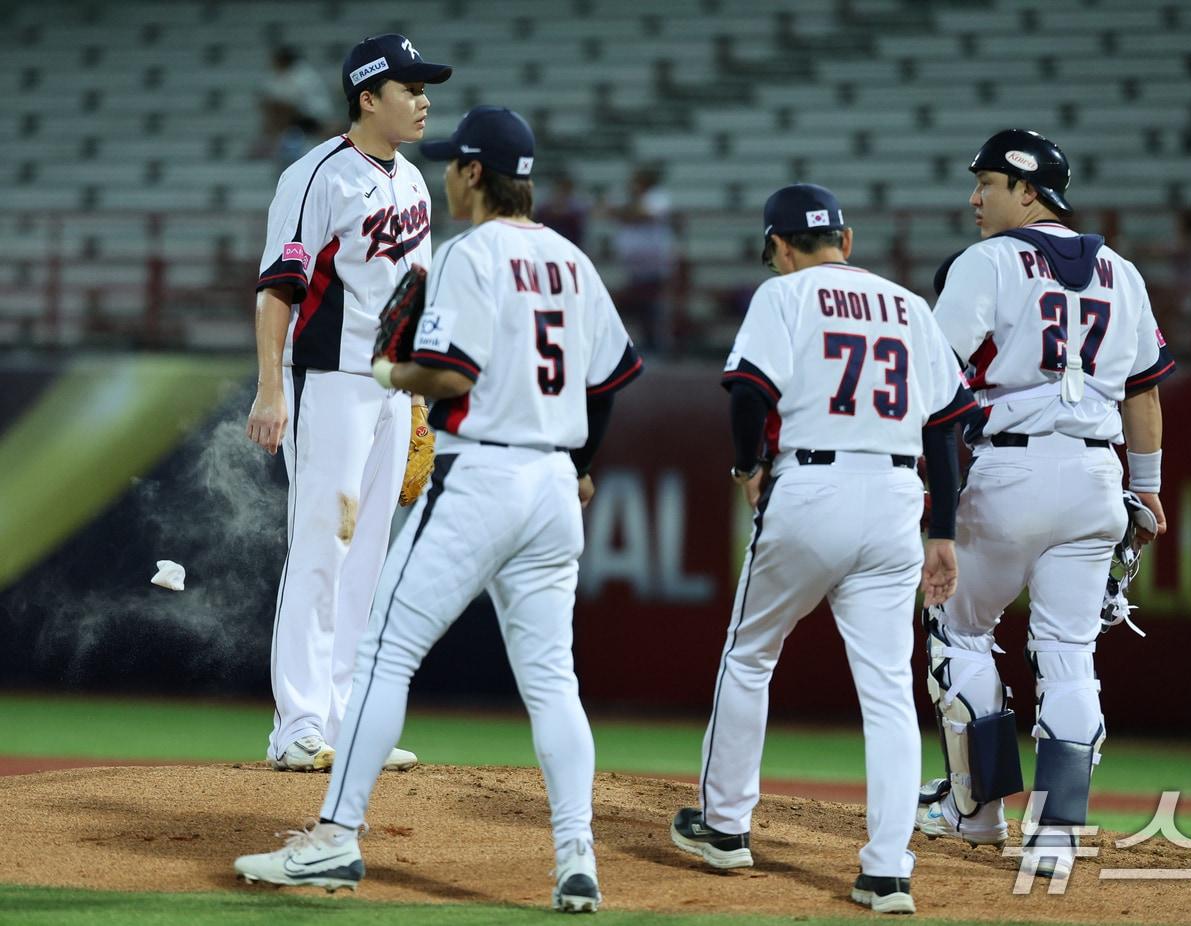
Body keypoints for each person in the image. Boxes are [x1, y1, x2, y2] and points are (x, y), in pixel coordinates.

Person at [235, 105, 643, 913]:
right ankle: (576, 859)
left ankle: (336, 840)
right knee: (555, 683)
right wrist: (586, 465)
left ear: (469, 175)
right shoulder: (571, 260)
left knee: (387, 648)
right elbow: (612, 378)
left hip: (484, 476)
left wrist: (395, 380)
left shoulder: (465, 255)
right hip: (557, 490)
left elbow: (448, 375)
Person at [669, 184, 975, 915]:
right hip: (898, 499)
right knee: (887, 692)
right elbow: (945, 425)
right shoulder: (909, 305)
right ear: (848, 238)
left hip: (813, 485)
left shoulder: (786, 296)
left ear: (779, 246)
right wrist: (944, 530)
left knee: (750, 652)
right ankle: (888, 870)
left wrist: (748, 468)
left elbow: (747, 392)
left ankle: (725, 825)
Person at [914, 129, 1173, 880]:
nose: (974, 198)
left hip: (1009, 474)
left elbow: (935, 378)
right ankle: (1057, 835)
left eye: (987, 184)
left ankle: (978, 811)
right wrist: (1147, 487)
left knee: (959, 633)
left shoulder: (988, 262)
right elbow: (1144, 390)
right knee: (1069, 655)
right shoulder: (1122, 271)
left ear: (1028, 190)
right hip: (1096, 477)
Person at [245, 34, 452, 774]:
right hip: (328, 383)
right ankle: (297, 723)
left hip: (392, 392)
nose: (425, 99)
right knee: (321, 548)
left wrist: (420, 400)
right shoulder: (317, 174)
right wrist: (272, 387)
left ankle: (345, 719)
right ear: (368, 97)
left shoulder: (415, 184)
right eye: (409, 87)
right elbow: (278, 287)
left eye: (425, 87)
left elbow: (413, 300)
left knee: (368, 559)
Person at [608, 167, 676, 355]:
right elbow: (610, 211)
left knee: (654, 306)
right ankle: (646, 342)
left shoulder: (658, 197)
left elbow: (643, 214)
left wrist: (628, 212)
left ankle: (659, 344)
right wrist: (628, 211)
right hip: (633, 266)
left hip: (655, 264)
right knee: (638, 305)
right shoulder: (627, 197)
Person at [255, 46, 338, 164]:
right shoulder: (288, 74)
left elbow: (286, 104)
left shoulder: (301, 75)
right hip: (301, 121)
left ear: (283, 61)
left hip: (312, 119)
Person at [536, 171, 591, 246]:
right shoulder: (547, 202)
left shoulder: (577, 203)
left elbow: (581, 217)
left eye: (565, 187)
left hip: (571, 239)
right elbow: (539, 214)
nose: (562, 190)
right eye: (560, 187)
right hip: (549, 239)